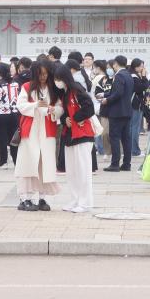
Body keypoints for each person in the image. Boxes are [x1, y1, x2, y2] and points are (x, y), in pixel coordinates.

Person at [15, 60, 62, 211]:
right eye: (40, 74)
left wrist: (54, 110)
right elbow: (20, 105)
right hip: (31, 129)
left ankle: (42, 197)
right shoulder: (27, 87)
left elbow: (60, 107)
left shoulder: (53, 88)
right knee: (28, 162)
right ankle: (25, 198)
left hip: (47, 129)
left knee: (45, 163)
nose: (43, 77)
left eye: (45, 74)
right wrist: (35, 105)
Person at [55, 62, 95, 212]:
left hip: (82, 135)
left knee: (83, 171)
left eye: (58, 78)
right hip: (70, 136)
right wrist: (65, 119)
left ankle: (85, 203)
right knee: (72, 172)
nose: (56, 82)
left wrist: (76, 118)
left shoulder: (77, 89)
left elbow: (89, 107)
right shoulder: (64, 92)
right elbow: (64, 113)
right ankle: (75, 200)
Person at [102, 55, 134, 172]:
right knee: (126, 139)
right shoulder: (128, 75)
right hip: (127, 111)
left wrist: (107, 100)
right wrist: (106, 95)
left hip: (117, 111)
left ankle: (115, 164)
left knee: (114, 137)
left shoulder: (119, 75)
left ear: (115, 64)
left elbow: (118, 93)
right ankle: (126, 164)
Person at [0, 63, 20, 168]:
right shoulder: (15, 83)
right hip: (14, 113)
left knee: (2, 138)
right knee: (14, 138)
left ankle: (3, 161)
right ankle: (16, 161)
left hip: (1, 114)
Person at [90, 58, 112, 156]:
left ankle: (101, 149)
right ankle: (102, 149)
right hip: (100, 105)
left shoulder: (100, 77)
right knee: (101, 129)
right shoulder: (103, 78)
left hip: (99, 105)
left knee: (99, 129)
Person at [129, 58, 148, 156]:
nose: (143, 68)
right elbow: (143, 87)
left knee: (131, 127)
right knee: (135, 128)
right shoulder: (134, 77)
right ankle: (135, 150)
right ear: (136, 67)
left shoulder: (131, 75)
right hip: (136, 105)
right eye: (141, 66)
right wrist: (144, 76)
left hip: (131, 104)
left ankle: (131, 149)